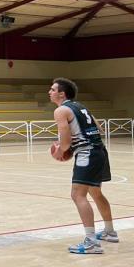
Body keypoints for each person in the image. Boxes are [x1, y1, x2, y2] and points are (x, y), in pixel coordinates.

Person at [50, 78, 117, 254]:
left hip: (87, 153)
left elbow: (65, 142)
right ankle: (110, 232)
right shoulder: (81, 107)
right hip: (100, 151)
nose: (50, 92)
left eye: (52, 89)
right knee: (95, 192)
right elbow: (99, 129)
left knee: (77, 195)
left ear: (61, 94)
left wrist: (61, 151)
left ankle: (91, 242)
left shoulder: (61, 110)